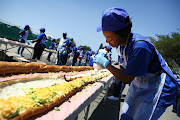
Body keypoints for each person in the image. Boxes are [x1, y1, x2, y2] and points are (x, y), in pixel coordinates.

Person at [94, 7, 179, 120]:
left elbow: (127, 78)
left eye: (109, 38)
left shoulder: (139, 47)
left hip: (158, 87)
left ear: (122, 33)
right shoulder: (122, 45)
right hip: (141, 85)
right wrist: (106, 65)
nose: (107, 42)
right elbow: (124, 67)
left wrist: (107, 65)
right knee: (126, 117)